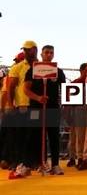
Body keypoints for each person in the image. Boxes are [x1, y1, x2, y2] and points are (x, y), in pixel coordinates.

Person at [23, 45, 67, 175]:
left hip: (52, 108)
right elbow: (26, 89)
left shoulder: (59, 72)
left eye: (51, 53)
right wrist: (38, 98)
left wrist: (64, 105)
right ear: (41, 54)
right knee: (33, 135)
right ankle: (31, 164)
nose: (49, 55)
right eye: (46, 52)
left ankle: (55, 165)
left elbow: (64, 89)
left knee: (53, 135)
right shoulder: (33, 70)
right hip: (35, 108)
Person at [7, 41, 40, 178]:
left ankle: (31, 164)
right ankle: (19, 163)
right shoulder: (17, 67)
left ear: (35, 50)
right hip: (22, 106)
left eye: (28, 49)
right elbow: (10, 87)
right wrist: (11, 105)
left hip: (36, 107)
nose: (26, 52)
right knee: (21, 137)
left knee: (34, 136)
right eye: (24, 50)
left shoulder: (42, 67)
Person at [65, 63, 87, 168]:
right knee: (75, 136)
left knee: (83, 136)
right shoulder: (76, 83)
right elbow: (67, 101)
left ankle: (82, 157)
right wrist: (67, 115)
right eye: (86, 70)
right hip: (76, 111)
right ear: (81, 71)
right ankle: (74, 157)